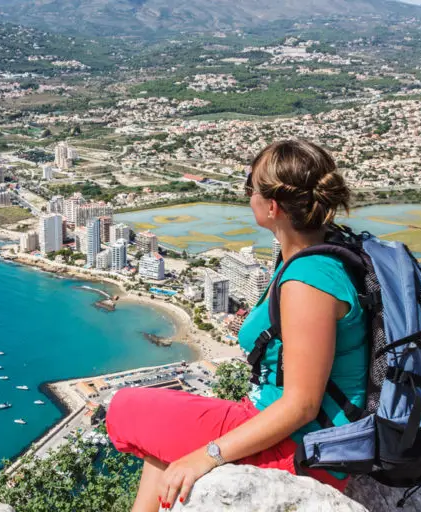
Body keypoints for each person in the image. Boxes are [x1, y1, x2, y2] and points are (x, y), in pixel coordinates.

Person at [106, 139, 368, 511]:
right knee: (161, 438)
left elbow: (303, 406)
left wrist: (209, 454)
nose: (247, 197)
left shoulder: (309, 281)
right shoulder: (318, 250)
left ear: (272, 207)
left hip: (301, 447)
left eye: (250, 189)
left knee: (124, 408)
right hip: (286, 426)